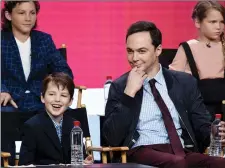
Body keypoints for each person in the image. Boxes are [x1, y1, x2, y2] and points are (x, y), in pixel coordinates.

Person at [102, 21, 225, 168]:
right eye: (130, 51)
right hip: (140, 151)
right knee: (178, 163)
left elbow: (201, 126)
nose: (134, 58)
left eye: (141, 51)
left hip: (181, 151)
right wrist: (129, 94)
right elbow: (112, 138)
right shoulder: (120, 86)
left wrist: (215, 133)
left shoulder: (184, 83)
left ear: (158, 50)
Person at [1, 1, 73, 113]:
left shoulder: (44, 40)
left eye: (32, 13)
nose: (28, 18)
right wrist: (2, 91)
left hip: (41, 101)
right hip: (10, 102)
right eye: (21, 13)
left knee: (70, 115)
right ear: (8, 15)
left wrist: (52, 92)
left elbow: (64, 71)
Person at [19, 72, 93, 165]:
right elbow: (25, 164)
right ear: (42, 97)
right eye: (52, 94)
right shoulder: (32, 126)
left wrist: (84, 162)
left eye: (63, 95)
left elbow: (78, 158)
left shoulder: (74, 125)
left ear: (70, 101)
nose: (57, 99)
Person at [169, 1, 225, 118]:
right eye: (213, 22)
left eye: (222, 22)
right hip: (198, 113)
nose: (218, 27)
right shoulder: (187, 48)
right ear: (197, 22)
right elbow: (172, 84)